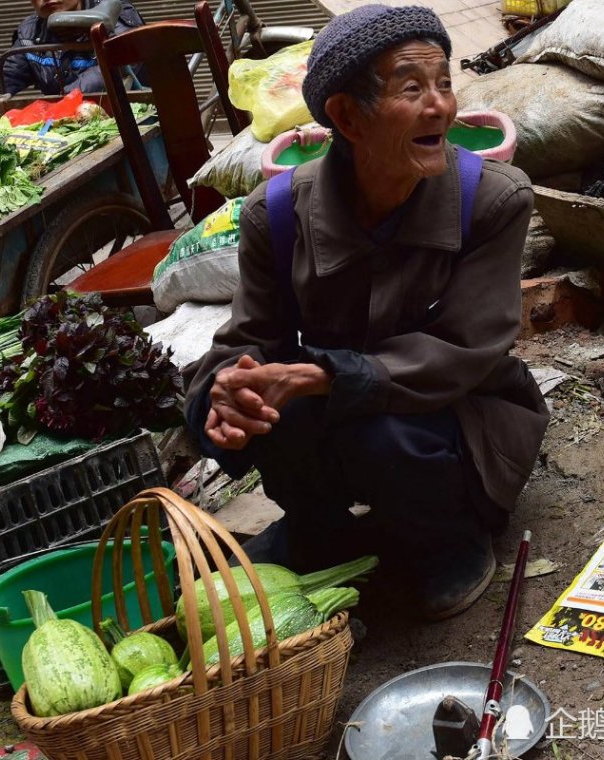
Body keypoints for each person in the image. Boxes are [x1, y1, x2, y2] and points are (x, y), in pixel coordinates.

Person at [182, 4, 549, 621]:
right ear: (347, 116)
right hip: (341, 411)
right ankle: (317, 527)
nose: (441, 107)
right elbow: (248, 339)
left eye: (444, 83)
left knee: (384, 433)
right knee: (277, 404)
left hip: (453, 414)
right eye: (413, 88)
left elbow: (465, 351)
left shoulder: (491, 201)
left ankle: (448, 539)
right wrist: (224, 394)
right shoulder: (274, 216)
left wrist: (323, 377)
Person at [0, 0, 144, 105]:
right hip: (69, 126)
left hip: (133, 123)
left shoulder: (115, 17)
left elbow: (108, 71)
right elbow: (7, 72)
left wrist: (58, 106)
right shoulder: (31, 32)